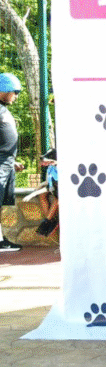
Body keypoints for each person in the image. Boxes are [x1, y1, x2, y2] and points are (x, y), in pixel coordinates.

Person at [0, 73, 24, 252]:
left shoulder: (3, 109)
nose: (16, 96)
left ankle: (1, 240)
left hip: (6, 163)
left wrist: (12, 161)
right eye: (14, 91)